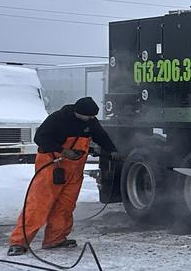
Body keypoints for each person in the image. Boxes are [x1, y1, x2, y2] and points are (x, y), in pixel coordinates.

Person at [7, 97, 117, 256]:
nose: (91, 120)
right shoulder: (58, 118)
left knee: (65, 206)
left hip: (74, 170)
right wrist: (63, 151)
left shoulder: (90, 121)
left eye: (93, 117)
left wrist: (112, 149)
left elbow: (101, 136)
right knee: (38, 205)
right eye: (88, 116)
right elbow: (40, 138)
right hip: (52, 166)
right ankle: (19, 242)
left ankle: (55, 239)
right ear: (78, 112)